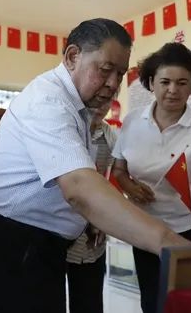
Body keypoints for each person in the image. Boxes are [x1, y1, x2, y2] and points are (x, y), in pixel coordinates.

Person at [0, 18, 190, 313]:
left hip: (40, 243)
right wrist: (168, 242)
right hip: (12, 240)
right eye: (105, 69)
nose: (113, 84)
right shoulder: (49, 102)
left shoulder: (77, 107)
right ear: (73, 56)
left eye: (120, 74)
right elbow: (79, 188)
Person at [111, 42, 191, 313]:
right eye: (165, 82)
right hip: (145, 228)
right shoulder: (132, 121)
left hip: (190, 227)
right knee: (152, 301)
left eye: (182, 83)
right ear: (151, 83)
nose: (173, 90)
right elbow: (118, 170)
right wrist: (130, 187)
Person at [65, 100, 118, 313]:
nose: (101, 106)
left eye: (108, 99)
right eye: (97, 98)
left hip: (91, 233)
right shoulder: (67, 128)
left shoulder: (110, 136)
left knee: (89, 300)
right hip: (57, 228)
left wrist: (103, 221)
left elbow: (110, 180)